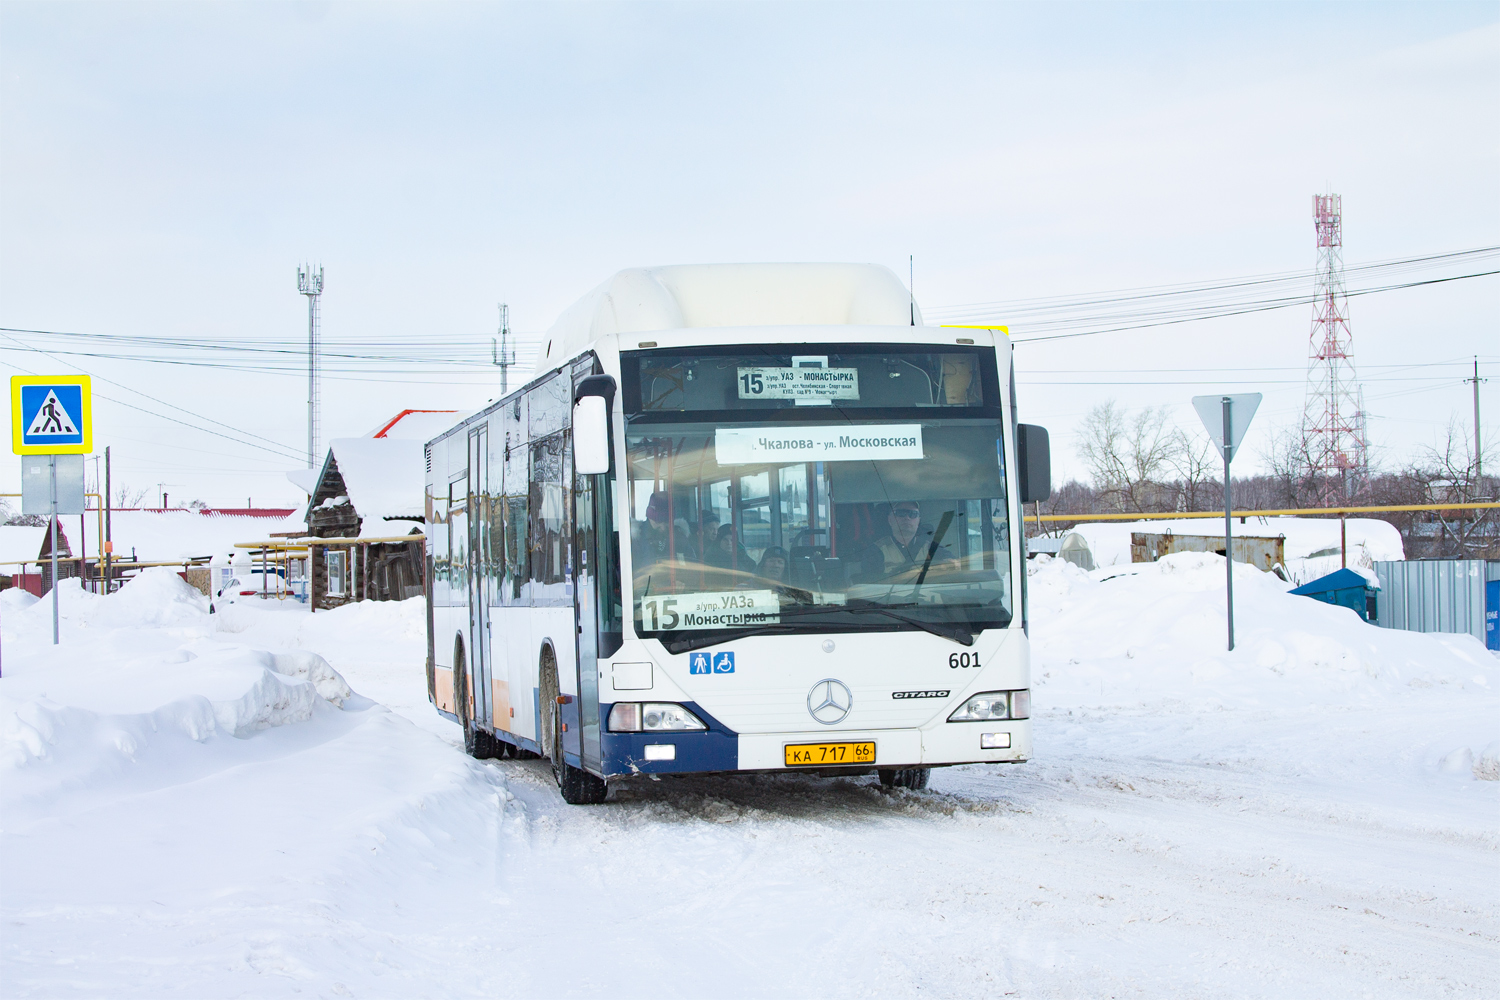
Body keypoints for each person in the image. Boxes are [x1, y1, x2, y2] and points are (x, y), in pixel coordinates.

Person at [859, 501, 956, 581]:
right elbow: (871, 585)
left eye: (913, 514)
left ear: (918, 521)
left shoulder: (930, 547)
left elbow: (951, 561)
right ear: (890, 520)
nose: (907, 518)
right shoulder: (875, 550)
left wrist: (948, 563)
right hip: (889, 602)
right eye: (900, 513)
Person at [631, 490, 696, 575]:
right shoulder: (635, 539)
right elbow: (627, 575)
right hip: (645, 587)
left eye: (667, 522)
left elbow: (693, 568)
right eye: (658, 522)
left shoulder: (679, 537)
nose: (663, 528)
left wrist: (683, 581)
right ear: (649, 517)